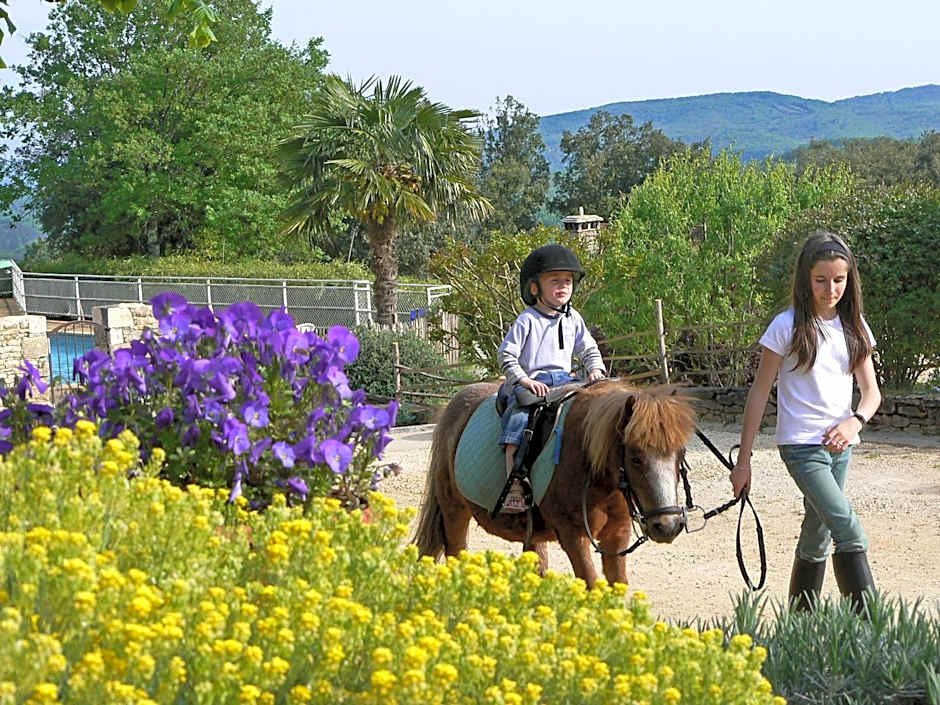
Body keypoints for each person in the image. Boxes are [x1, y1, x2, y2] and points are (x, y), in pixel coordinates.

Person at [731, 231, 882, 612]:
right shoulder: (786, 326)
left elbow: (872, 393)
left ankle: (801, 627)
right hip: (801, 447)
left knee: (818, 533)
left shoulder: (855, 326)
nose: (831, 289)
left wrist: (854, 423)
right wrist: (743, 462)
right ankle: (874, 629)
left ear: (850, 280)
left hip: (841, 446)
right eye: (821, 280)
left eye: (839, 280)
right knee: (848, 528)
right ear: (804, 279)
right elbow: (759, 394)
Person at [497, 244, 606, 513]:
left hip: (565, 381)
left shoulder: (573, 319)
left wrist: (596, 370)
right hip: (531, 383)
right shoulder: (527, 320)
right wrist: (522, 380)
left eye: (567, 281)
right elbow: (506, 355)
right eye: (554, 280)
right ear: (535, 287)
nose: (563, 286)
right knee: (518, 422)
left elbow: (589, 349)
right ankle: (514, 484)